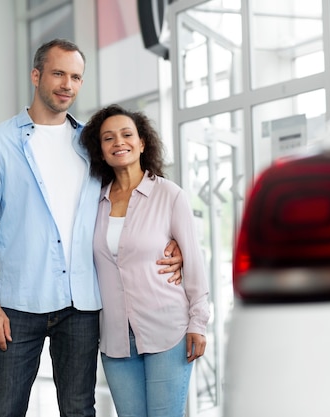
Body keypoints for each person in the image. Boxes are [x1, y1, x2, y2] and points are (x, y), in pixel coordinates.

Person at [0, 39, 183, 417]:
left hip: (82, 305)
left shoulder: (91, 145)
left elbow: (130, 193)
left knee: (80, 410)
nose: (67, 84)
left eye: (76, 77)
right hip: (18, 305)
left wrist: (171, 239)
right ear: (36, 76)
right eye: (58, 73)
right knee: (4, 410)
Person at [80, 104, 210, 417]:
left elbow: (193, 261)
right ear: (101, 150)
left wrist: (199, 322)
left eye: (127, 134)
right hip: (115, 338)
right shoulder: (93, 202)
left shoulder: (170, 195)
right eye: (108, 138)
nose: (118, 142)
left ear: (142, 143)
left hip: (168, 329)